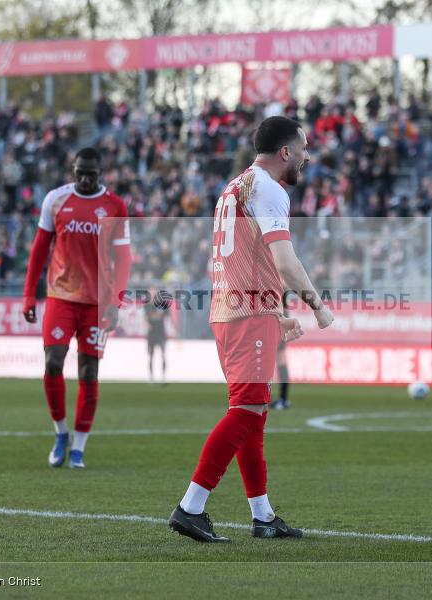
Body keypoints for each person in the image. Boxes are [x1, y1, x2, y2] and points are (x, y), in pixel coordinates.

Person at [168, 116, 334, 543]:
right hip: (245, 316)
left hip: (234, 310)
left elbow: (246, 258)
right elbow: (284, 260)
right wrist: (316, 305)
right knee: (247, 409)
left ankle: (262, 517)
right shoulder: (269, 189)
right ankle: (191, 507)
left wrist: (274, 315)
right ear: (285, 153)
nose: (307, 155)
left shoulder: (237, 185)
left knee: (254, 415)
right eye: (303, 148)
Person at [22, 147, 132, 469]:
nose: (85, 179)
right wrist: (30, 295)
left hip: (97, 302)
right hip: (61, 296)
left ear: (101, 174)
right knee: (53, 362)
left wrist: (116, 302)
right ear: (73, 171)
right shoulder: (55, 200)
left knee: (89, 371)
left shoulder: (114, 206)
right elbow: (39, 250)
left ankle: (79, 447)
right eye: (79, 172)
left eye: (91, 174)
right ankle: (60, 433)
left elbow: (124, 258)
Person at [144, 287, 170, 384]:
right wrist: (158, 315)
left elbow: (166, 315)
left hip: (161, 332)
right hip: (152, 333)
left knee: (163, 354)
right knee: (151, 355)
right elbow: (148, 316)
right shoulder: (147, 305)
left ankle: (163, 377)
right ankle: (151, 377)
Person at [269, 305, 292, 410]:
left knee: (277, 359)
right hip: (277, 314)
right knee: (278, 359)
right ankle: (282, 399)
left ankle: (282, 399)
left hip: (276, 315)